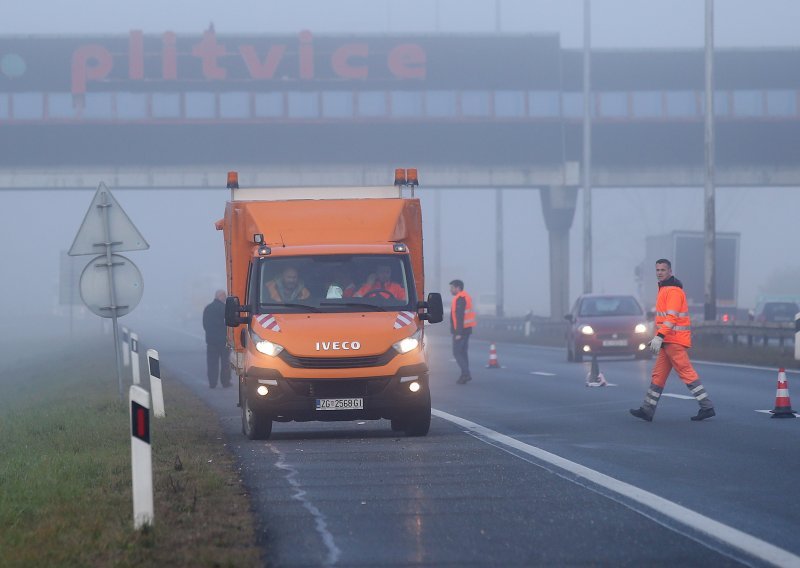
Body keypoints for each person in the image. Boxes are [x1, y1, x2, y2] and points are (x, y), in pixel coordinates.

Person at [630, 259, 715, 421]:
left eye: (663, 270)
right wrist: (659, 337)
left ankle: (707, 406)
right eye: (657, 270)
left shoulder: (673, 291)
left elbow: (671, 317)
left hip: (673, 340)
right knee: (658, 375)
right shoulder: (663, 289)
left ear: (670, 272)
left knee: (686, 372)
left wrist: (659, 336)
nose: (660, 272)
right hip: (666, 340)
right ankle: (647, 410)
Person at [450, 279, 476, 384]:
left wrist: (458, 333)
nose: (450, 290)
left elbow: (459, 317)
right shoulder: (465, 296)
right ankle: (464, 375)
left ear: (458, 288)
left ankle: (466, 374)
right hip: (467, 329)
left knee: (457, 353)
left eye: (452, 288)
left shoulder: (460, 298)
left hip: (461, 331)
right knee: (463, 353)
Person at [202, 290, 231, 389]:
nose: (225, 298)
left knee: (212, 363)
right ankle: (225, 382)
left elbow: (205, 324)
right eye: (224, 296)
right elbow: (229, 324)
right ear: (220, 296)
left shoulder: (208, 308)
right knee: (225, 363)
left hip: (211, 341)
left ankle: (212, 383)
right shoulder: (225, 309)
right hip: (224, 341)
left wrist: (210, 334)